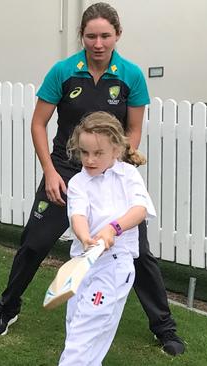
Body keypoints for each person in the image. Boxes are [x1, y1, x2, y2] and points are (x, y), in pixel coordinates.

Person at [0, 2, 186, 356]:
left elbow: (134, 129)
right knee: (34, 243)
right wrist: (50, 170)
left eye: (105, 35)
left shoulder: (131, 76)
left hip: (111, 170)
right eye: (91, 35)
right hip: (64, 169)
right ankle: (7, 308)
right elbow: (38, 123)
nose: (98, 43)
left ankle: (164, 328)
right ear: (82, 36)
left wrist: (118, 166)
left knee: (137, 252)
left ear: (117, 35)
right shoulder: (63, 71)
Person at [59, 111, 155, 365]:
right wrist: (86, 238)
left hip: (115, 265)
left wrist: (113, 228)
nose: (89, 159)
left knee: (83, 334)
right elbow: (77, 216)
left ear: (116, 149)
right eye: (84, 152)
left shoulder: (129, 175)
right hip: (82, 265)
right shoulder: (78, 183)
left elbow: (139, 210)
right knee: (79, 328)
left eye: (97, 153)